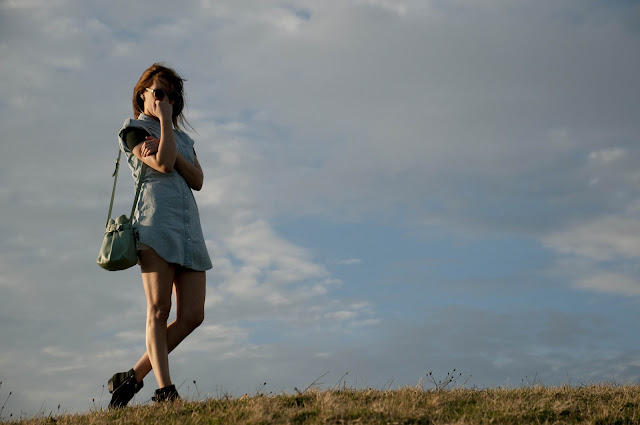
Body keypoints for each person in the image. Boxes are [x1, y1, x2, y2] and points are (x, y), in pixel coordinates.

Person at [107, 63, 212, 408]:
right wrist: (166, 123)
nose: (167, 100)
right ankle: (165, 390)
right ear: (143, 94)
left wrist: (174, 147)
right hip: (155, 226)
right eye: (160, 93)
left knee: (193, 315)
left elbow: (197, 180)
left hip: (188, 228)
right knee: (159, 309)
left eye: (172, 96)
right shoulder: (133, 130)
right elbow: (164, 165)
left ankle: (132, 377)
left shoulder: (185, 139)